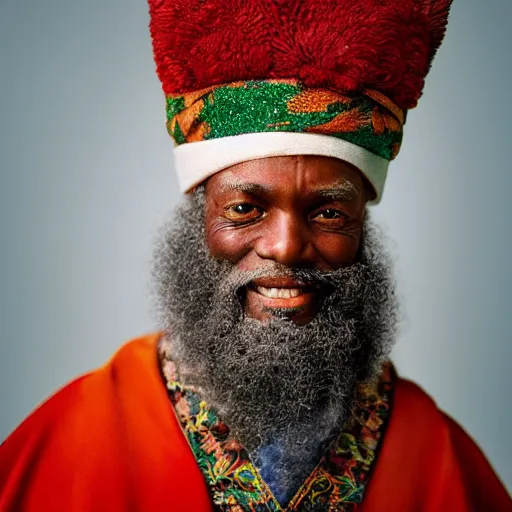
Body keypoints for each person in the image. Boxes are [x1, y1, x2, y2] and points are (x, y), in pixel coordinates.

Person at [1, 0, 510, 510]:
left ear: (363, 226)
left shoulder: (438, 458)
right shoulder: (74, 441)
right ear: (200, 214)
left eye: (329, 213)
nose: (286, 246)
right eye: (245, 208)